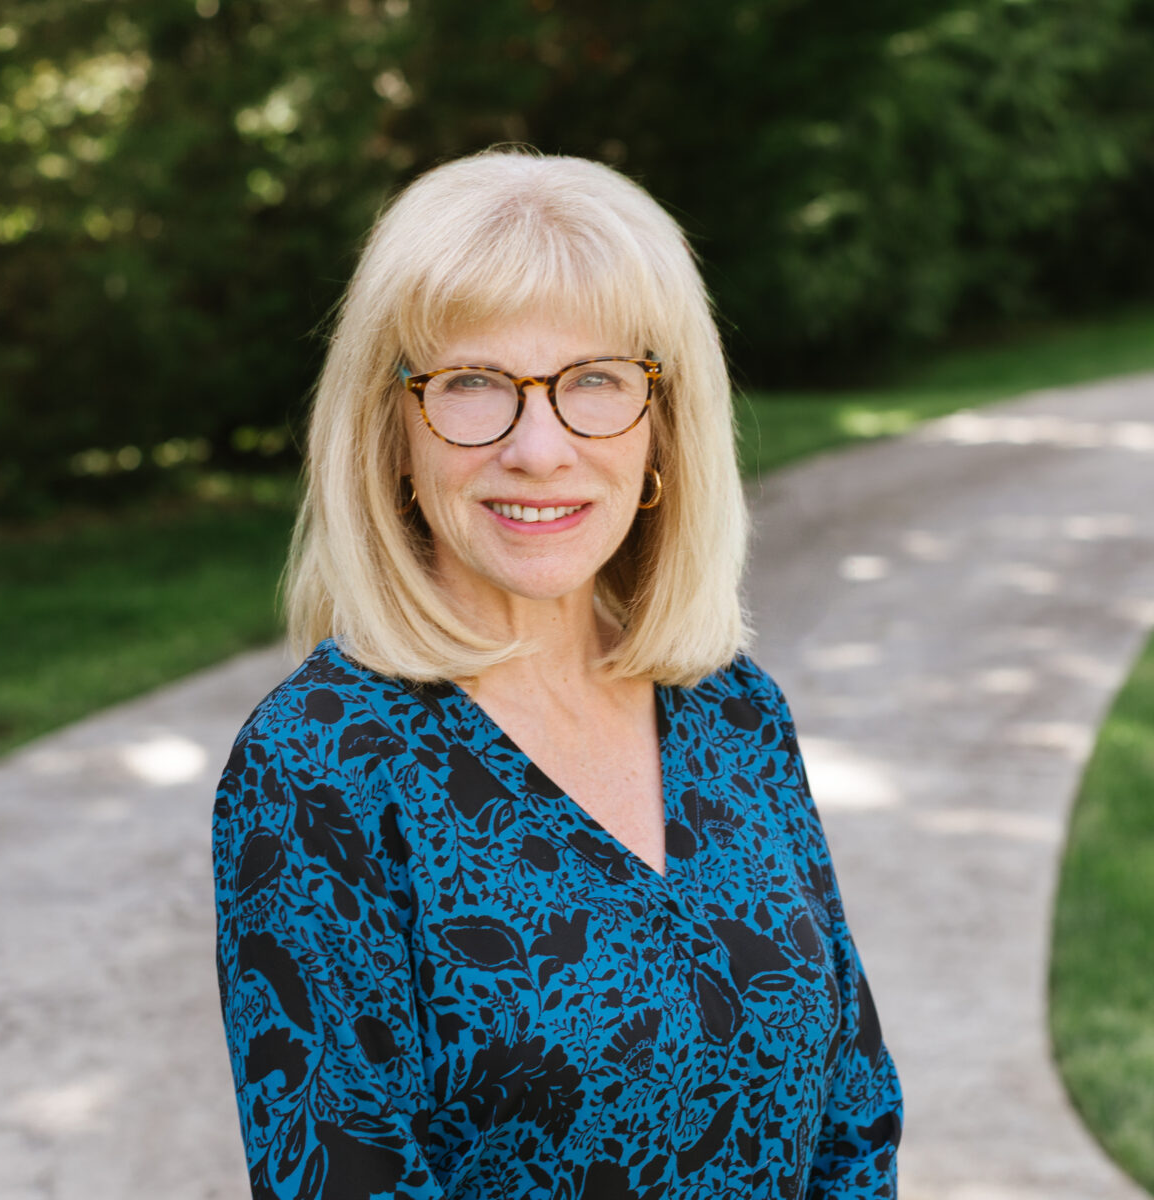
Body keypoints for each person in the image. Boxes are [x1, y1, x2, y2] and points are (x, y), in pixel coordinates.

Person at [212, 148, 902, 1200]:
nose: (540, 448)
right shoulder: (318, 768)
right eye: (476, 384)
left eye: (595, 382)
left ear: (662, 430)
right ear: (393, 432)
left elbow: (853, 1120)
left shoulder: (736, 711)